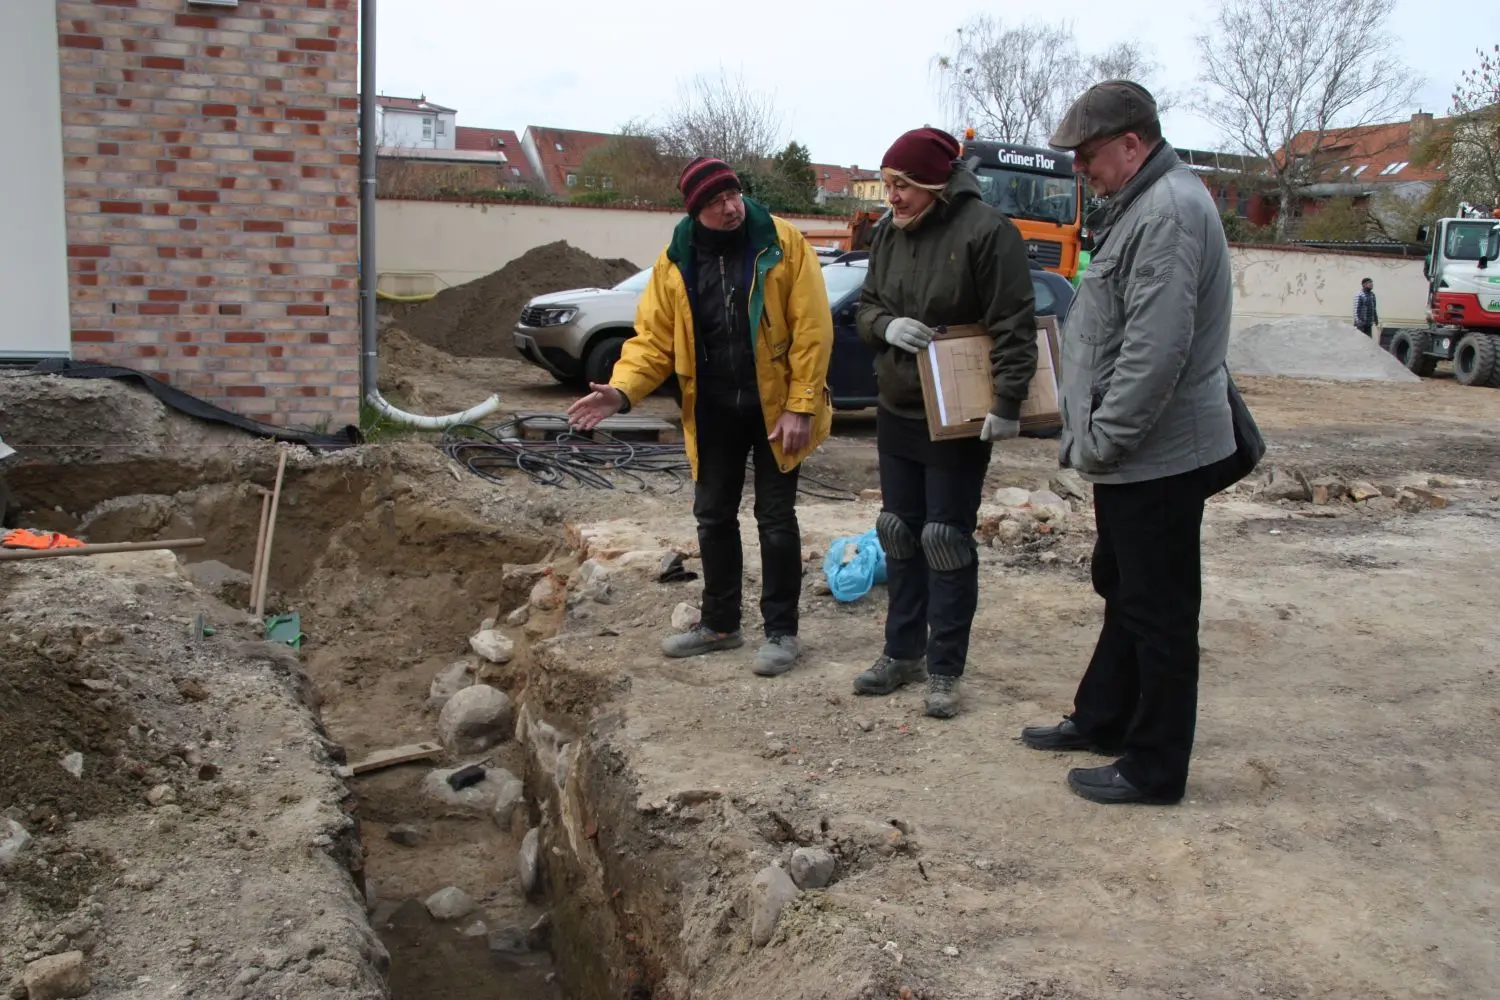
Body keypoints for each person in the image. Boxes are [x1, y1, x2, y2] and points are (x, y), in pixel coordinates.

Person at [1020, 80, 1237, 805]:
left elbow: (1155, 349)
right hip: (1136, 454)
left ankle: (1154, 767)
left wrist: (1103, 440)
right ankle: (1105, 716)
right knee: (1125, 589)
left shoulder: (1170, 211)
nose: (1081, 168)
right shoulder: (1145, 203)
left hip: (1156, 453)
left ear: (1132, 144)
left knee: (1160, 611)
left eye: (1088, 155)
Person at [567, 157, 833, 677]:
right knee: (713, 517)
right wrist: (621, 392)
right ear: (695, 210)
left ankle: (782, 632)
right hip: (712, 408)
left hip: (777, 406)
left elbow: (813, 330)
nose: (731, 207)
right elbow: (652, 342)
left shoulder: (782, 244)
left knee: (775, 520)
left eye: (733, 194)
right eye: (715, 202)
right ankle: (719, 625)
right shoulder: (677, 260)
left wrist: (802, 404)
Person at [851, 126, 1037, 719]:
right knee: (897, 531)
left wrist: (1008, 403)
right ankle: (901, 652)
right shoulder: (887, 234)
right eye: (887, 185)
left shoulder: (987, 232)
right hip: (898, 405)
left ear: (932, 182)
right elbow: (867, 307)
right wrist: (885, 327)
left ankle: (945, 669)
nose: (892, 198)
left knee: (945, 540)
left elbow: (1014, 321)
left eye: (900, 185)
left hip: (957, 413)